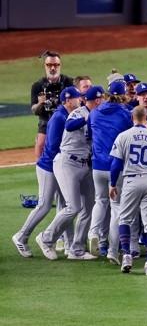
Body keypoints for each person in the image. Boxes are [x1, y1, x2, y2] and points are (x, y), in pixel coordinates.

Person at [36, 86, 102, 260]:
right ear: (95, 100)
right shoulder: (78, 113)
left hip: (84, 165)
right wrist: (88, 118)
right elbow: (70, 125)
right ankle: (46, 238)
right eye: (100, 99)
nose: (101, 101)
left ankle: (77, 249)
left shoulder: (99, 115)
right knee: (73, 207)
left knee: (88, 207)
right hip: (67, 163)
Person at [12, 87, 77, 258]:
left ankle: (70, 245)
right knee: (44, 205)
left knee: (66, 205)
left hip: (59, 166)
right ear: (68, 101)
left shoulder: (67, 114)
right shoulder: (59, 117)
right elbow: (54, 146)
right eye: (77, 98)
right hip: (49, 167)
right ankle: (21, 236)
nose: (80, 101)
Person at [109, 106, 147, 276]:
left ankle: (127, 256)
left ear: (132, 117)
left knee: (125, 219)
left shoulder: (123, 136)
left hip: (131, 180)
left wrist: (112, 184)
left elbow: (115, 165)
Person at [87, 81, 133, 264]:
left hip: (97, 166)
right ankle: (113, 251)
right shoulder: (125, 114)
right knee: (117, 208)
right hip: (116, 167)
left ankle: (93, 233)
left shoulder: (94, 112)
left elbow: (89, 134)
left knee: (100, 201)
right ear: (123, 95)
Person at [31, 51, 73, 159]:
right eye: (49, 65)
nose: (52, 68)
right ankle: (40, 168)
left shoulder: (69, 82)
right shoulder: (37, 85)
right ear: (44, 66)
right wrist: (40, 103)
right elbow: (34, 110)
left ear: (60, 66)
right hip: (46, 121)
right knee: (40, 144)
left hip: (66, 120)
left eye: (56, 65)